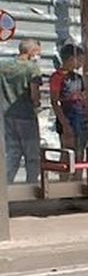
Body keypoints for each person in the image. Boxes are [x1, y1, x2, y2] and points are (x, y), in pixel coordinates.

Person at [0, 38, 44, 184]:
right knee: (32, 155)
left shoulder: (4, 66)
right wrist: (37, 104)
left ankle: (6, 187)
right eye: (38, 53)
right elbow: (34, 94)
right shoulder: (32, 68)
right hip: (26, 116)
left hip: (7, 115)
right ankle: (31, 187)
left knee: (13, 153)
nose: (39, 56)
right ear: (31, 52)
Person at [50, 43, 88, 159]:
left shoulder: (78, 78)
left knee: (80, 154)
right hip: (67, 117)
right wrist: (65, 123)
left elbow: (83, 98)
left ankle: (77, 177)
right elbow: (54, 101)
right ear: (72, 59)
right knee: (68, 153)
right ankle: (65, 177)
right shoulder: (57, 77)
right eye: (80, 60)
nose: (82, 64)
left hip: (80, 118)